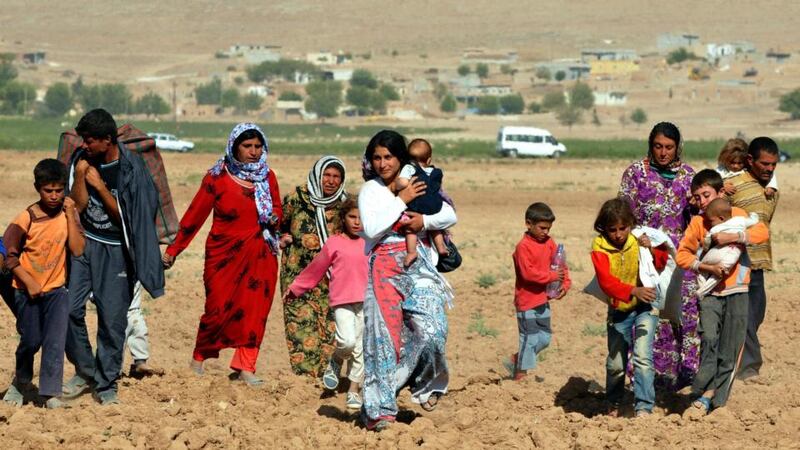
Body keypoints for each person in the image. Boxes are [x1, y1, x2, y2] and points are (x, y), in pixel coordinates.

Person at [162, 123, 281, 387]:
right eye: (247, 146)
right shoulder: (216, 177)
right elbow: (194, 216)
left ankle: (245, 367)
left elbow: (278, 209)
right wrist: (173, 250)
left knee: (255, 311)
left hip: (260, 254)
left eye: (257, 147)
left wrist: (275, 219)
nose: (253, 152)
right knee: (216, 308)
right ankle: (198, 359)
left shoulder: (267, 177)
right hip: (223, 255)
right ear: (234, 147)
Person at [63, 109, 165, 405]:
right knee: (68, 310)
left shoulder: (131, 170)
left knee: (112, 319)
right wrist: (82, 178)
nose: (85, 145)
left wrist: (99, 186)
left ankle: (106, 383)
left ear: (107, 140)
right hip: (84, 244)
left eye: (90, 140)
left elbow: (131, 220)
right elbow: (78, 206)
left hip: (117, 250)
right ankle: (85, 371)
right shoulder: (84, 161)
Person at [359, 129, 457, 430]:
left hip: (420, 264)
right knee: (383, 339)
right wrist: (401, 200)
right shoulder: (370, 191)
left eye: (388, 157)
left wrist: (423, 221)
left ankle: (419, 381)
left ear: (400, 158)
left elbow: (448, 214)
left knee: (433, 330)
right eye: (376, 158)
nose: (382, 163)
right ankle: (379, 410)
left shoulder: (417, 179)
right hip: (384, 268)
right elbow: (373, 228)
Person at [676, 169, 769, 413]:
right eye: (697, 197)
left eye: (706, 195)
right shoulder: (698, 223)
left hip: (737, 290)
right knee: (708, 339)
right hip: (709, 292)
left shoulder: (736, 215)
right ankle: (701, 389)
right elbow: (682, 255)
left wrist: (732, 236)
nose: (702, 201)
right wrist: (704, 266)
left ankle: (713, 400)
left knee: (731, 348)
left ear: (720, 193)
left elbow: (762, 232)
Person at [618, 121, 698, 390]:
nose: (663, 153)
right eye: (658, 146)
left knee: (680, 317)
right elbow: (622, 215)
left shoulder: (688, 176)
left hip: (680, 261)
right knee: (646, 317)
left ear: (678, 148)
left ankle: (677, 382)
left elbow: (700, 214)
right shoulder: (635, 174)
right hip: (645, 259)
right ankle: (639, 381)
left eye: (669, 147)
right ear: (650, 146)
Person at [2, 159, 85, 409]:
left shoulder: (67, 214)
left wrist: (71, 214)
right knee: (31, 339)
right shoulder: (25, 218)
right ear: (37, 188)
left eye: (59, 190)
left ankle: (50, 393)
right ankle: (21, 381)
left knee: (54, 341)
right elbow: (9, 255)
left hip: (57, 291)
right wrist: (28, 281)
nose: (54, 196)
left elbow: (78, 249)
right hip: (26, 292)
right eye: (48, 191)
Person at [284, 197, 367, 410]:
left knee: (361, 349)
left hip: (367, 302)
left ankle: (353, 390)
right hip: (342, 301)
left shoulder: (372, 242)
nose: (357, 222)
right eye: (352, 217)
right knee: (347, 342)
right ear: (343, 218)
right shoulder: (335, 243)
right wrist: (295, 289)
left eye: (361, 217)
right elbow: (316, 268)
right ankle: (336, 360)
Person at [590, 198, 665, 417]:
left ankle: (644, 407)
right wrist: (632, 290)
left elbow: (660, 262)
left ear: (630, 224)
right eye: (612, 230)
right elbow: (605, 281)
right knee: (616, 363)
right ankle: (613, 402)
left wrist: (651, 249)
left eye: (623, 228)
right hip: (619, 309)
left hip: (646, 306)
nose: (619, 234)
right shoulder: (599, 247)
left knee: (642, 357)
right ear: (603, 229)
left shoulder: (639, 239)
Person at [279, 156, 348, 378]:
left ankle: (327, 377)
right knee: (300, 324)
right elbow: (280, 223)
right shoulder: (297, 198)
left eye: (336, 177)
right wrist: (282, 237)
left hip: (332, 279)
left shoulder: (345, 205)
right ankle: (306, 380)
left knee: (330, 328)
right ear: (318, 175)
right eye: (326, 175)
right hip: (297, 274)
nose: (330, 181)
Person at [726, 137, 780, 380]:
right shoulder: (731, 186)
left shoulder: (771, 191)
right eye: (765, 164)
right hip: (736, 265)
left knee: (756, 316)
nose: (769, 169)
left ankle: (736, 360)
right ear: (750, 161)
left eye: (773, 165)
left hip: (759, 265)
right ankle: (749, 368)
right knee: (745, 317)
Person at [510, 202, 570, 381]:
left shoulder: (550, 243)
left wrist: (564, 283)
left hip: (543, 300)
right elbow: (528, 274)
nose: (546, 232)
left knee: (544, 338)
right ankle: (521, 376)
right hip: (527, 301)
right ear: (529, 224)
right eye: (542, 228)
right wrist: (551, 277)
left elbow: (560, 266)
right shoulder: (523, 247)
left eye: (548, 228)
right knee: (529, 338)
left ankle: (516, 358)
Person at [394, 139, 449, 267]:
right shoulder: (436, 172)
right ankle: (441, 247)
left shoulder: (409, 167)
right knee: (434, 227)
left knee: (410, 228)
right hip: (435, 205)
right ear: (429, 160)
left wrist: (397, 185)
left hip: (417, 205)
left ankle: (412, 252)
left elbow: (402, 182)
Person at [694, 198, 759, 298]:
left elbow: (706, 242)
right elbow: (753, 221)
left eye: (711, 221)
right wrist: (754, 214)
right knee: (720, 273)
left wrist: (703, 250)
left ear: (721, 218)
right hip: (733, 253)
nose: (711, 223)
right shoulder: (740, 220)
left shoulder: (716, 228)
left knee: (701, 268)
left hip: (717, 252)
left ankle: (701, 287)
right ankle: (703, 290)